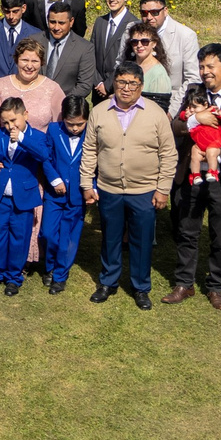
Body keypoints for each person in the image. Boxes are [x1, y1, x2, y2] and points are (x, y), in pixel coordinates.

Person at [165, 42, 221, 311]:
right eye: (202, 66)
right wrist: (197, 120)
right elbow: (176, 125)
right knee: (187, 231)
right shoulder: (194, 92)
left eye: (210, 66)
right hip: (192, 175)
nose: (205, 71)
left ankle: (215, 286)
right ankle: (184, 283)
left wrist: (217, 159)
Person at [83, 64, 176, 306]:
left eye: (132, 83)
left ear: (141, 86)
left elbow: (168, 153)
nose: (126, 88)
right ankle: (108, 281)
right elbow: (90, 149)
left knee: (141, 241)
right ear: (114, 83)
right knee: (110, 238)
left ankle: (140, 287)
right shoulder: (99, 112)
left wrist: (163, 189)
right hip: (109, 188)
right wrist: (86, 183)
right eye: (122, 82)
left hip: (144, 191)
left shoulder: (155, 113)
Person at [0, 99, 50, 295]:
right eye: (5, 122)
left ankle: (14, 277)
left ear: (26, 115)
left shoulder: (36, 137)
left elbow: (43, 155)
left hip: (23, 198)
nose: (10, 126)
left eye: (13, 120)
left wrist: (22, 138)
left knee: (19, 238)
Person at [36, 106, 87, 293]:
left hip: (78, 194)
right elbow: (46, 158)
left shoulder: (91, 133)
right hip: (55, 193)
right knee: (48, 233)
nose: (75, 128)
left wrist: (91, 187)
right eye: (70, 124)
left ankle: (60, 275)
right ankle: (49, 266)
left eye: (80, 124)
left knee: (68, 237)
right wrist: (54, 179)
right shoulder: (53, 130)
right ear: (63, 118)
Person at [0, 38, 66, 139]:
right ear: (16, 60)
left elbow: (61, 126)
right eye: (25, 60)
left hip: (39, 146)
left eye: (34, 61)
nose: (29, 66)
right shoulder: (0, 85)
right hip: (5, 146)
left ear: (41, 63)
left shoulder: (53, 89)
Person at [139, 0, 199, 116]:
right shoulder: (132, 32)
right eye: (144, 13)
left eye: (155, 12)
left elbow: (192, 78)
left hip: (172, 104)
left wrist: (172, 111)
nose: (149, 17)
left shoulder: (186, 36)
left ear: (165, 10)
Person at [40, 3, 100, 108]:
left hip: (65, 108)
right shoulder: (35, 41)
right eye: (52, 22)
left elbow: (84, 85)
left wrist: (62, 102)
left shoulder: (84, 48)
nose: (56, 27)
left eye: (61, 23)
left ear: (71, 22)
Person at [89, 0, 138, 97]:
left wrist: (108, 85)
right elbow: (91, 54)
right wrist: (98, 82)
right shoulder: (100, 22)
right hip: (98, 90)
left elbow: (129, 60)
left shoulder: (134, 24)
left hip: (120, 90)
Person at [124, 26, 175, 116]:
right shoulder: (127, 67)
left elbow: (159, 110)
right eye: (135, 42)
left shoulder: (159, 74)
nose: (139, 45)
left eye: (144, 41)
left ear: (154, 43)